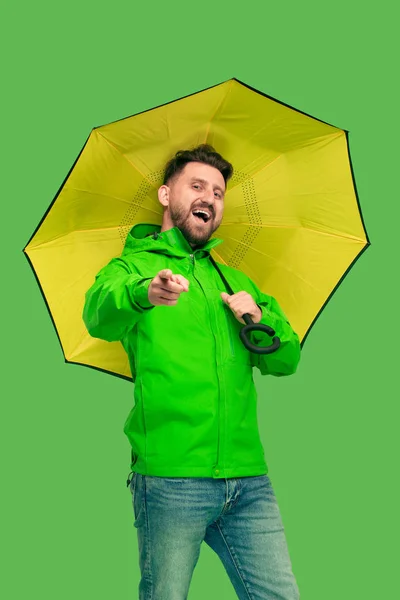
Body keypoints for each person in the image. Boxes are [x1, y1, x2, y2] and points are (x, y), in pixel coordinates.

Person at [83, 144, 301, 599]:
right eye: (196, 186)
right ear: (166, 195)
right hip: (170, 480)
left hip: (248, 480)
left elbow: (287, 361)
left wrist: (261, 320)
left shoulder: (235, 282)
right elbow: (98, 315)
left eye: (218, 192)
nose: (209, 198)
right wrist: (145, 292)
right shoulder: (135, 268)